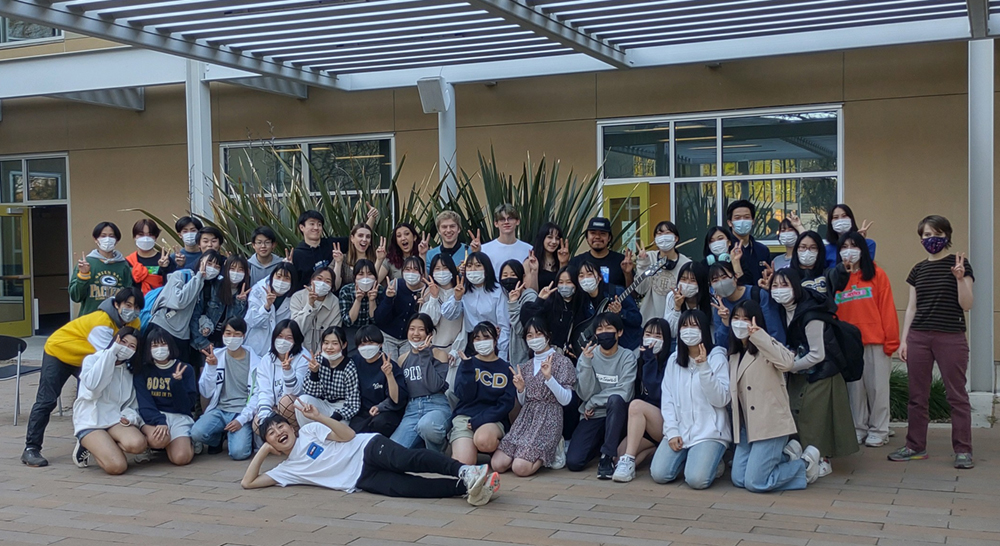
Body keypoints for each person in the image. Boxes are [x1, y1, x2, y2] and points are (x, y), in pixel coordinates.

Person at [240, 406, 500, 507]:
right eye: (271, 434)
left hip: (366, 447)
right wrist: (264, 450)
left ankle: (464, 470)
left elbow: (348, 435)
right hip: (360, 479)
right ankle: (466, 486)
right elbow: (248, 483)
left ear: (290, 426)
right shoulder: (285, 470)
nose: (279, 433)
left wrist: (319, 417)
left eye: (280, 427)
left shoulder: (309, 431)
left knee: (406, 460)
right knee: (407, 488)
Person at [22, 286, 144, 467]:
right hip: (60, 352)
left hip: (87, 358)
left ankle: (89, 439)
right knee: (47, 400)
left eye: (136, 307)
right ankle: (31, 448)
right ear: (116, 304)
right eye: (128, 305)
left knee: (94, 396)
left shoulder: (134, 323)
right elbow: (109, 354)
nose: (132, 311)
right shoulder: (101, 322)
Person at [890, 215, 975, 469]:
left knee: (957, 395)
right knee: (917, 395)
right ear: (920, 239)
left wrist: (960, 278)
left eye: (936, 234)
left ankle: (963, 450)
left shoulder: (960, 264)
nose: (931, 239)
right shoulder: (918, 269)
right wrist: (904, 341)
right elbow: (912, 309)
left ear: (947, 236)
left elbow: (967, 305)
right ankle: (915, 446)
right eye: (926, 235)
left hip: (951, 336)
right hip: (919, 337)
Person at [727, 300, 821, 492]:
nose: (740, 323)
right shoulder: (734, 354)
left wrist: (758, 335)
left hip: (770, 425)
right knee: (738, 478)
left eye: (745, 318)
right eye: (736, 318)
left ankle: (805, 465)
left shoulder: (766, 347)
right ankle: (786, 457)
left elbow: (788, 362)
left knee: (755, 483)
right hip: (747, 428)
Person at [772, 269, 859, 476]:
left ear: (796, 287)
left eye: (784, 285)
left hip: (823, 370)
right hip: (802, 369)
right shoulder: (782, 311)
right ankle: (803, 452)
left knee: (816, 415)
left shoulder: (811, 315)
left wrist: (790, 366)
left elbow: (818, 354)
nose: (779, 291)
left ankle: (823, 458)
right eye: (774, 286)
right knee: (796, 410)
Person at [645, 310, 731, 489]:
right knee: (659, 474)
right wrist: (673, 431)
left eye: (694, 326)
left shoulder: (717, 358)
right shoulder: (674, 360)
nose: (688, 330)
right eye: (684, 326)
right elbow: (667, 399)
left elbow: (721, 399)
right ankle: (696, 461)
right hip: (682, 430)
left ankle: (711, 461)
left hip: (710, 432)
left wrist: (704, 367)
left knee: (697, 480)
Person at [831, 232, 899, 448]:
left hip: (875, 342)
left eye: (854, 245)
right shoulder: (835, 277)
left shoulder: (878, 275)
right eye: (844, 246)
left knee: (878, 389)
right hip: (848, 343)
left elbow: (887, 309)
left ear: (862, 249)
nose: (849, 250)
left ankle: (880, 429)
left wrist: (891, 342)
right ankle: (858, 428)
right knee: (855, 391)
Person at [492, 318, 576, 476]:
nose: (534, 338)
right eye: (530, 335)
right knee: (498, 464)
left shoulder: (562, 362)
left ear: (548, 336)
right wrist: (521, 389)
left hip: (549, 417)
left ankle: (554, 449)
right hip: (527, 418)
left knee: (520, 468)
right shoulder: (526, 365)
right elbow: (525, 402)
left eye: (538, 334)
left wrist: (549, 378)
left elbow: (566, 400)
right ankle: (524, 453)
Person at [567, 312, 637, 479]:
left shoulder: (627, 356)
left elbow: (624, 391)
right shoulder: (588, 355)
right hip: (594, 415)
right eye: (599, 329)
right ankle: (600, 445)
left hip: (618, 415)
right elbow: (584, 393)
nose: (603, 332)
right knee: (574, 462)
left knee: (616, 399)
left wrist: (593, 402)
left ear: (619, 332)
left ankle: (606, 457)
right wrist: (586, 362)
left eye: (609, 328)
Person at [71, 327, 147, 474]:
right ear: (115, 340)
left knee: (138, 444)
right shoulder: (93, 360)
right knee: (117, 467)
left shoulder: (129, 371)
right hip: (90, 420)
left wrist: (129, 417)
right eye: (123, 342)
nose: (125, 348)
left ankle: (104, 444)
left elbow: (130, 403)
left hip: (114, 419)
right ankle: (88, 444)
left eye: (132, 346)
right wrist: (111, 354)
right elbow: (94, 386)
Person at [611, 318, 672, 482]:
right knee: (617, 459)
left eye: (658, 336)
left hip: (665, 423)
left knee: (637, 405)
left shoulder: (671, 362)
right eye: (648, 334)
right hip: (643, 424)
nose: (652, 338)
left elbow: (655, 392)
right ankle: (651, 451)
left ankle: (629, 459)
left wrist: (650, 360)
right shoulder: (639, 360)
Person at [190, 318, 259, 460]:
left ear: (244, 336)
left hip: (242, 412)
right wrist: (212, 367)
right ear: (222, 335)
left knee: (238, 453)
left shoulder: (256, 362)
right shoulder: (216, 356)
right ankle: (218, 438)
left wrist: (241, 420)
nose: (232, 338)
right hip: (220, 410)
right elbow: (206, 391)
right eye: (228, 333)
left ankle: (242, 435)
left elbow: (257, 395)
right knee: (196, 432)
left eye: (237, 334)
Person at [449, 322, 515, 465]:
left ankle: (499, 451)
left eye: (486, 337)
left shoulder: (506, 368)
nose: (482, 342)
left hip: (493, 420)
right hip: (465, 418)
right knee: (463, 463)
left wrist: (481, 419)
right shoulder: (467, 363)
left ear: (495, 340)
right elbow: (464, 396)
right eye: (477, 338)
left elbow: (506, 403)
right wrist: (467, 369)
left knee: (484, 441)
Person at [133, 326, 198, 466]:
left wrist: (176, 384)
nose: (160, 349)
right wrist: (160, 420)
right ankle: (150, 444)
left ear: (170, 346)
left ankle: (188, 441)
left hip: (178, 416)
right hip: (153, 417)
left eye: (163, 344)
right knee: (159, 440)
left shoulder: (185, 369)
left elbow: (186, 406)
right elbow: (144, 403)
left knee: (181, 459)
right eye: (155, 345)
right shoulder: (143, 371)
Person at [390, 314, 452, 452]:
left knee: (427, 426)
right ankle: (420, 446)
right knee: (394, 451)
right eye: (412, 329)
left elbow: (434, 386)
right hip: (412, 409)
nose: (416, 333)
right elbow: (402, 392)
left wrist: (424, 354)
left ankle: (437, 450)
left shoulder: (439, 354)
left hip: (436, 405)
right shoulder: (402, 359)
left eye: (421, 329)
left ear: (429, 333)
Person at [442, 252, 511, 360]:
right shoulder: (463, 290)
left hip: (492, 342)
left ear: (486, 269)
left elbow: (504, 325)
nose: (473, 269)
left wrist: (502, 354)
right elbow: (448, 314)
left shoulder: (498, 291)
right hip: (471, 343)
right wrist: (456, 298)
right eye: (469, 266)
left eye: (478, 265)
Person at [148, 254, 213, 364]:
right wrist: (198, 277)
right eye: (209, 263)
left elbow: (198, 313)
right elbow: (179, 301)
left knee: (180, 371)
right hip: (163, 326)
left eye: (217, 266)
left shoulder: (211, 286)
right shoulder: (182, 275)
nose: (212, 268)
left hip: (183, 335)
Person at [190, 253, 250, 365]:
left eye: (240, 270)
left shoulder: (246, 293)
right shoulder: (212, 286)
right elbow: (195, 316)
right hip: (205, 344)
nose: (236, 273)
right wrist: (202, 343)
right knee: (205, 378)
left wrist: (240, 302)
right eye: (232, 268)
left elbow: (239, 323)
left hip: (227, 346)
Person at [293, 326, 359, 427]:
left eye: (335, 343)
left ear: (344, 345)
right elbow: (310, 392)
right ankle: (310, 436)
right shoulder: (318, 360)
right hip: (322, 403)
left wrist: (335, 417)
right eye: (326, 343)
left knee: (339, 429)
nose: (329, 347)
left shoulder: (349, 367)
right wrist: (314, 373)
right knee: (302, 401)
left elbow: (353, 403)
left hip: (340, 407)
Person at [708, 261, 785, 348]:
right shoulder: (719, 306)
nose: (721, 283)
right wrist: (725, 322)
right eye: (715, 280)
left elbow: (775, 330)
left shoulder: (757, 295)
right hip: (739, 357)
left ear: (735, 277)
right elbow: (721, 345)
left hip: (764, 351)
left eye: (724, 277)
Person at [252, 319, 311, 432]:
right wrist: (265, 418)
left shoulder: (303, 358)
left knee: (286, 402)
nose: (283, 341)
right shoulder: (266, 360)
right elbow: (264, 391)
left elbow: (294, 392)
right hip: (275, 408)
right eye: (280, 336)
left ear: (296, 340)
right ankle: (279, 448)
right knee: (258, 423)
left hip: (296, 408)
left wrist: (288, 370)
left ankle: (297, 438)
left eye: (289, 338)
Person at [349, 326, 408, 436]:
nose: (366, 348)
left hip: (386, 412)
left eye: (371, 343)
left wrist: (389, 375)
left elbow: (397, 399)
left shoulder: (390, 366)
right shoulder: (355, 362)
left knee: (380, 423)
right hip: (362, 412)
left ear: (380, 344)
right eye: (362, 344)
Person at [70, 221, 134, 316]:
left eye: (111, 236)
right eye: (103, 236)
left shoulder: (123, 265)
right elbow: (75, 296)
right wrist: (83, 275)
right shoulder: (86, 263)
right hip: (90, 320)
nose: (107, 239)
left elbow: (129, 295)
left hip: (116, 321)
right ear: (96, 239)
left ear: (117, 240)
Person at [520, 266, 588, 354]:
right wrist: (540, 300)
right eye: (561, 282)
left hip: (574, 355)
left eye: (569, 282)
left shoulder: (583, 303)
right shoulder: (549, 302)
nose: (564, 286)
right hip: (549, 353)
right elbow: (527, 319)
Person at [576, 261, 642, 351]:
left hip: (630, 347)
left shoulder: (617, 291)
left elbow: (637, 319)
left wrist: (621, 313)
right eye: (581, 276)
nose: (585, 279)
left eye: (589, 274)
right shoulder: (583, 300)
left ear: (599, 277)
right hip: (603, 352)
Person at [635, 221, 691, 325]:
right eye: (659, 234)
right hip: (650, 324)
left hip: (676, 323)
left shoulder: (686, 264)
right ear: (655, 240)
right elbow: (640, 289)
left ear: (676, 238)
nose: (663, 237)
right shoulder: (648, 257)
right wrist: (643, 263)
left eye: (667, 233)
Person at [420, 254, 467, 373]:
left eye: (445, 268)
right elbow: (428, 322)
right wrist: (434, 297)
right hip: (433, 350)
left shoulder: (461, 291)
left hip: (456, 351)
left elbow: (465, 326)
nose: (441, 272)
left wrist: (456, 350)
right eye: (437, 268)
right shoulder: (427, 292)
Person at [374, 256, 427, 360]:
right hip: (388, 336)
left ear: (422, 273)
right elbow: (379, 318)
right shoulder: (395, 285)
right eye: (407, 269)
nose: (411, 272)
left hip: (410, 339)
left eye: (415, 269)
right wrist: (388, 299)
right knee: (390, 367)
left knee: (406, 368)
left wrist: (426, 305)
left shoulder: (427, 291)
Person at [791, 203, 876, 268]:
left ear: (851, 219)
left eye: (844, 216)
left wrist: (860, 242)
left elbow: (867, 267)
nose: (840, 220)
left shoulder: (869, 244)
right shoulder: (827, 249)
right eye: (835, 217)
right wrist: (799, 227)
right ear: (830, 223)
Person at [245, 263, 296, 358]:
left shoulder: (294, 298)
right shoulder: (258, 291)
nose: (281, 281)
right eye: (279, 276)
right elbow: (251, 321)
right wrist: (266, 306)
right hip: (255, 346)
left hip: (280, 350)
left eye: (287, 278)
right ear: (272, 277)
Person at [290, 267, 342, 355]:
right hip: (298, 353)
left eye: (328, 281)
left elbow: (333, 332)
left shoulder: (335, 303)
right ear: (312, 280)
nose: (322, 284)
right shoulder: (298, 297)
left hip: (323, 355)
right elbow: (296, 330)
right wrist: (310, 305)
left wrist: (319, 356)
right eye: (319, 279)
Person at [569, 217, 632, 289]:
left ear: (609, 238)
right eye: (593, 233)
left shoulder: (622, 261)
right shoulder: (576, 262)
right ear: (587, 237)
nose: (597, 237)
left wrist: (627, 274)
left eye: (603, 233)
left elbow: (633, 295)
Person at [291, 210, 346, 291]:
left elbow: (358, 239)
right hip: (307, 297)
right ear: (302, 227)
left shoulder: (332, 244)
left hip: (332, 298)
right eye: (312, 224)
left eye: (319, 224)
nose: (316, 228)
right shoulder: (296, 255)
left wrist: (371, 217)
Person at [338, 259, 384, 352]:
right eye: (361, 274)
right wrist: (358, 300)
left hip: (372, 330)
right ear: (355, 277)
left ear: (375, 277)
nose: (365, 278)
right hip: (352, 330)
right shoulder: (346, 291)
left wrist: (372, 300)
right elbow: (348, 321)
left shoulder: (380, 290)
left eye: (370, 274)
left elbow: (377, 320)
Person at [499, 259, 537, 367]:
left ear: (522, 277)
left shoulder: (529, 297)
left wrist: (513, 303)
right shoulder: (504, 296)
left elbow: (521, 330)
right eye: (505, 275)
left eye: (513, 274)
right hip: (508, 358)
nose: (508, 278)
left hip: (526, 360)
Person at [726, 199, 771, 285]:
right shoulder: (725, 249)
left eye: (747, 217)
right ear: (730, 223)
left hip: (759, 296)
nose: (742, 221)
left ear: (753, 221)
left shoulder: (762, 250)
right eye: (737, 218)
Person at [663, 262, 712, 340]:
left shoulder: (711, 300)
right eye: (683, 279)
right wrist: (677, 308)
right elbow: (671, 332)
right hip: (680, 343)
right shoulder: (672, 296)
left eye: (693, 280)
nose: (687, 284)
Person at [126, 218, 175, 294]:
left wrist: (165, 268)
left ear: (155, 237)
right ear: (134, 237)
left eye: (150, 235)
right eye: (141, 234)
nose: (145, 238)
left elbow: (171, 285)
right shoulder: (128, 262)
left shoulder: (165, 260)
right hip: (135, 303)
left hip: (159, 302)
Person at [481, 204, 533, 273]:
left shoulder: (528, 249)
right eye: (502, 219)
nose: (506, 222)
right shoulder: (484, 249)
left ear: (517, 221)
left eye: (510, 218)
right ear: (496, 223)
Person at [524, 222, 570, 291]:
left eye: (557, 238)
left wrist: (563, 263)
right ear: (542, 238)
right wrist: (534, 271)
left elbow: (565, 288)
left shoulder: (562, 260)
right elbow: (531, 293)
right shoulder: (530, 262)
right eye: (550, 237)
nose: (554, 241)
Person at [335, 223, 380, 291]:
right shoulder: (342, 258)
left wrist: (379, 260)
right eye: (360, 236)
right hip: (347, 299)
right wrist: (338, 263)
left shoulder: (378, 258)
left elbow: (376, 282)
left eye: (368, 237)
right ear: (352, 238)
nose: (364, 239)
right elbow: (335, 286)